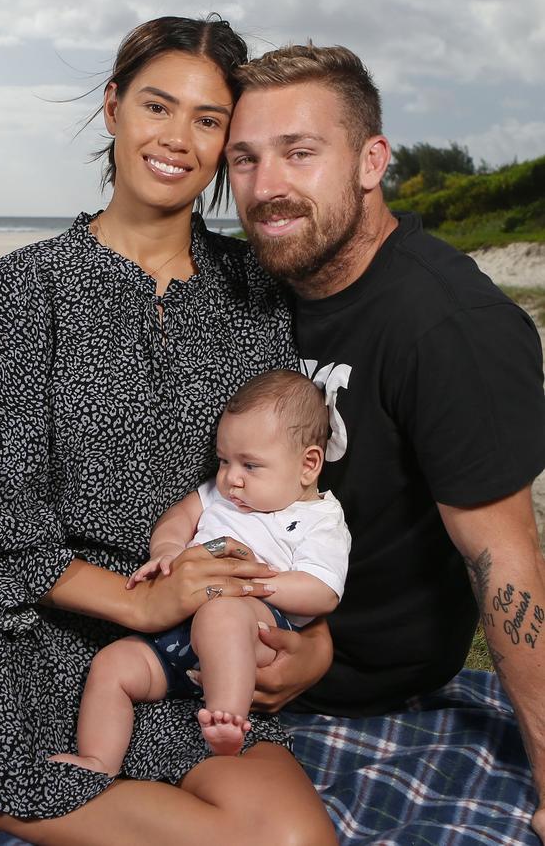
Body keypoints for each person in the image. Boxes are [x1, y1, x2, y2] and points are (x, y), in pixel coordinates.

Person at [0, 17, 338, 846]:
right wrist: (149, 602)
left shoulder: (256, 297)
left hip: (184, 644)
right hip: (22, 627)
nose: (178, 138)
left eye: (208, 120)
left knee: (296, 838)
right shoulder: (26, 285)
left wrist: (309, 646)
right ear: (112, 108)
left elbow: (286, 485)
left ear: (225, 140)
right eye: (157, 106)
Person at [224, 43, 545, 841]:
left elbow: (503, 565)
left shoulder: (449, 330)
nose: (267, 189)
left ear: (372, 162)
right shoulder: (251, 284)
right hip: (205, 601)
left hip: (345, 681)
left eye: (300, 153)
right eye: (246, 160)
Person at [49, 369, 349, 771]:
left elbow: (322, 591)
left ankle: (227, 719)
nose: (230, 478)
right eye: (224, 461)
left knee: (222, 613)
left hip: (248, 636)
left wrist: (248, 584)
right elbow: (179, 516)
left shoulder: (319, 520)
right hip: (176, 640)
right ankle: (99, 759)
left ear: (308, 465)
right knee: (112, 665)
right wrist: (168, 550)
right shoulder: (220, 494)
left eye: (250, 465)